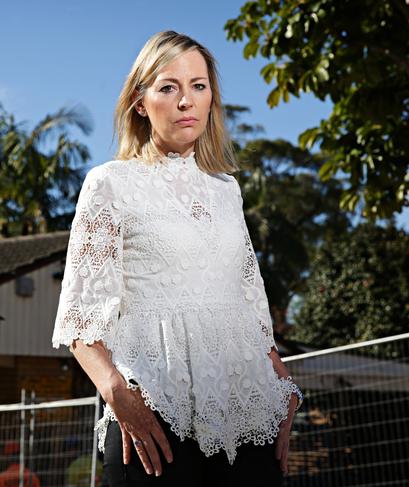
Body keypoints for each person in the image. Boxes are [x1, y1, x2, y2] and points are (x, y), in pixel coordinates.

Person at [51, 30, 303, 486]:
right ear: (140, 103)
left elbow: (250, 307)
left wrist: (283, 389)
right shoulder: (109, 184)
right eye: (169, 87)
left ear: (211, 99)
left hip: (249, 415)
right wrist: (117, 394)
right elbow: (80, 321)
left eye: (199, 86)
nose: (186, 100)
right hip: (154, 419)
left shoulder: (228, 191)